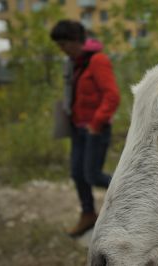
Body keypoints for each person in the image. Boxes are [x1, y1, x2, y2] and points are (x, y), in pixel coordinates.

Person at [50, 20, 120, 237]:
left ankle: (136, 196)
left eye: (63, 44)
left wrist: (96, 122)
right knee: (77, 174)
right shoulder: (74, 63)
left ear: (75, 41)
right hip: (77, 130)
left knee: (92, 175)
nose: (61, 49)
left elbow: (112, 96)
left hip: (95, 130)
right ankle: (88, 214)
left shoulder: (98, 61)